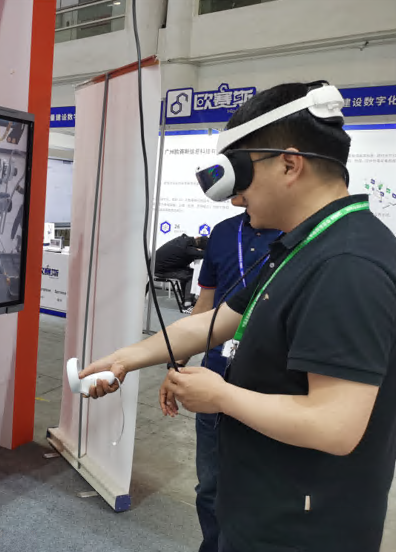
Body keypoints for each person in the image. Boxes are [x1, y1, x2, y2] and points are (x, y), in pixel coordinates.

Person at [78, 81, 396, 552]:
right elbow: (211, 322)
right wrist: (126, 358)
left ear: (289, 164)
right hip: (261, 501)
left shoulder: (347, 265)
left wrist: (221, 396)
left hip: (303, 529)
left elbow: (335, 424)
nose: (236, 200)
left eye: (242, 176)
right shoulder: (301, 247)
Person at [177, 212, 280, 552]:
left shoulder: (299, 233)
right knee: (210, 485)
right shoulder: (224, 232)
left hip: (270, 387)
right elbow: (206, 304)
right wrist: (179, 361)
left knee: (263, 490)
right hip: (215, 374)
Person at [153, 234, 208, 308]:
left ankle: (186, 299)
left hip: (156, 266)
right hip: (160, 270)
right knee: (191, 275)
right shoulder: (189, 249)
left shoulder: (183, 240)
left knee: (186, 273)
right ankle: (188, 304)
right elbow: (205, 254)